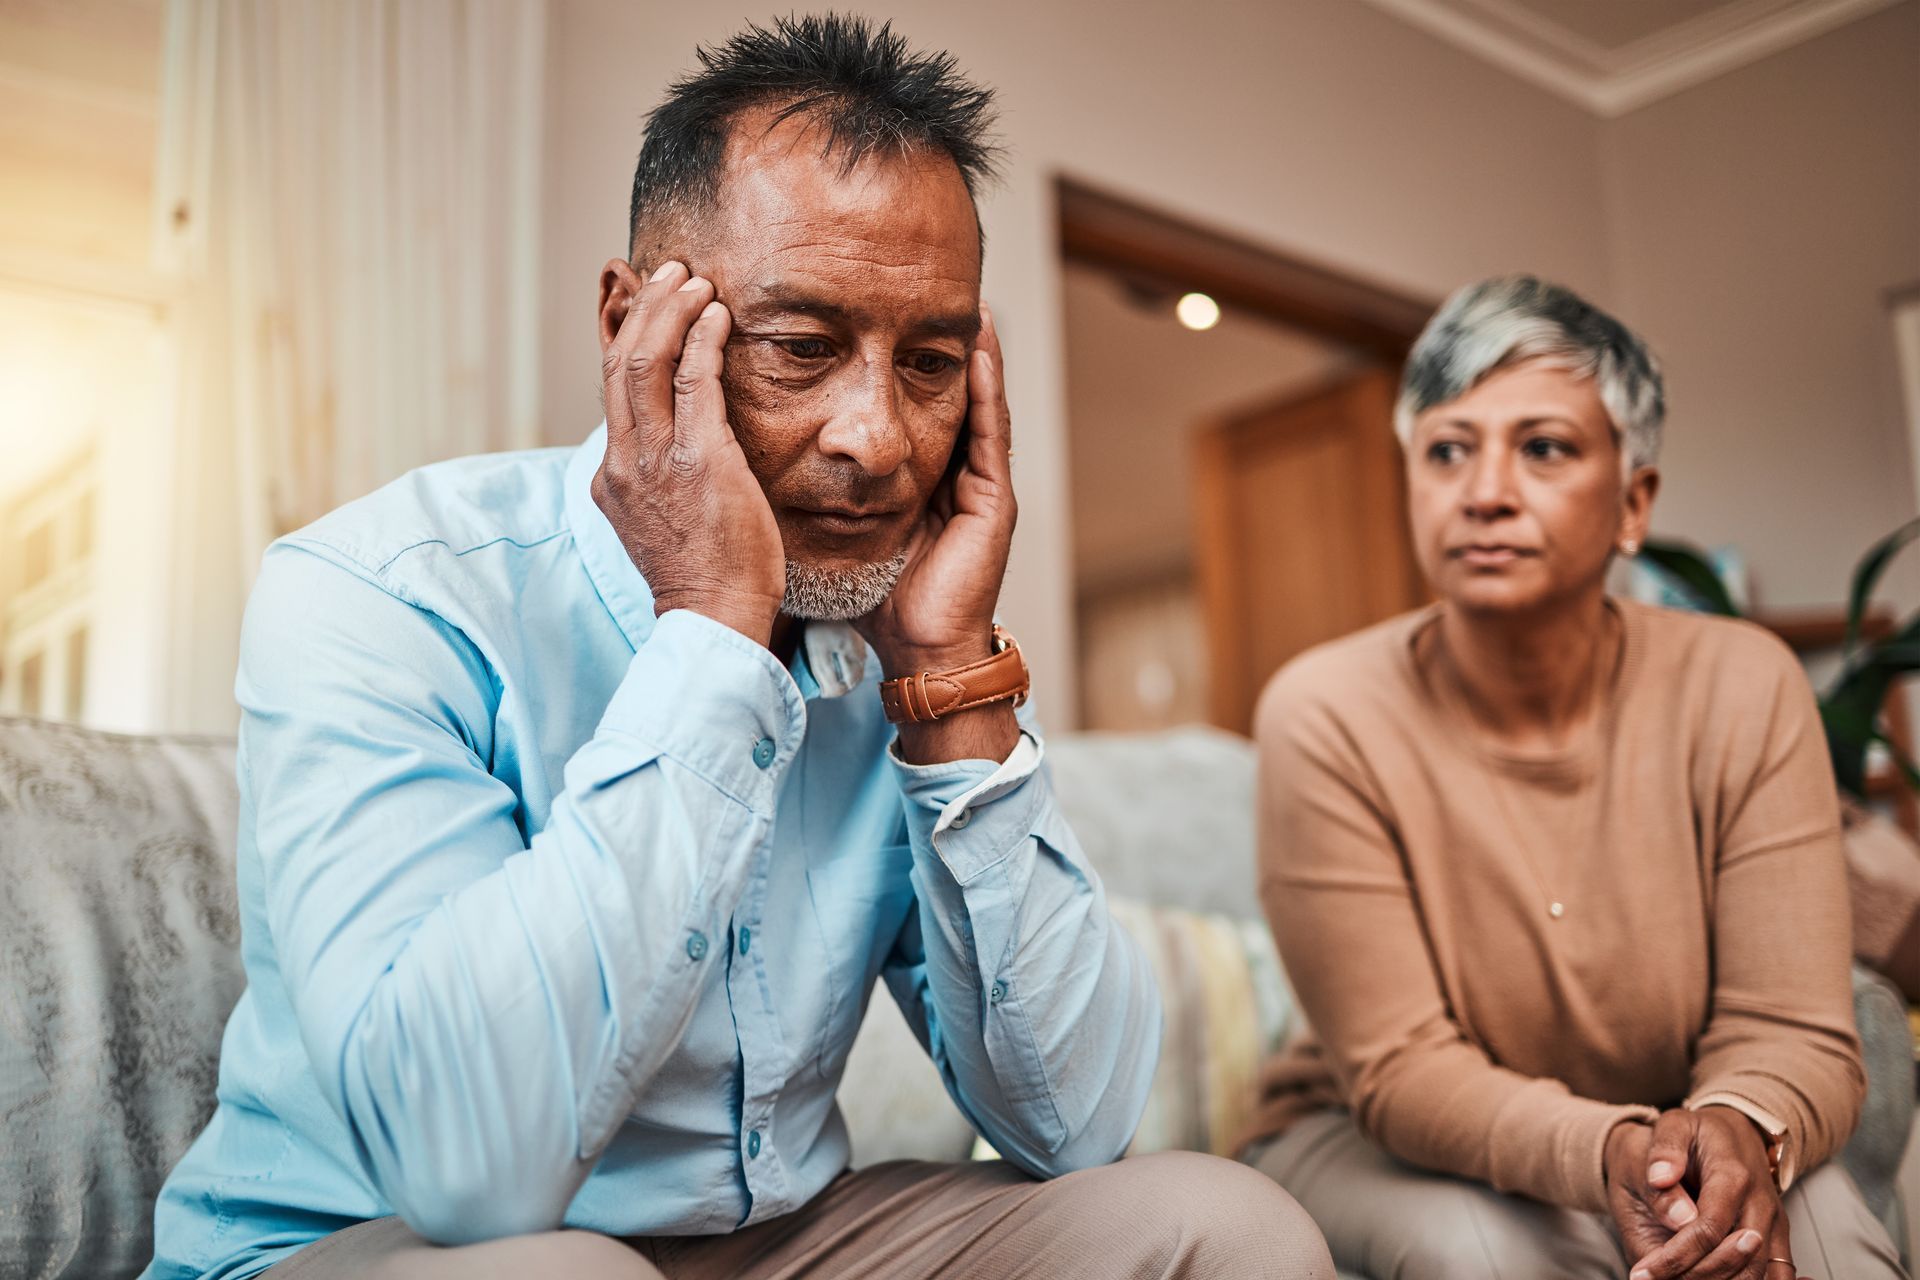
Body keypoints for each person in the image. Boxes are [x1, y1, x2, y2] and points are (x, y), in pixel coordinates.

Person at [142, 15, 1336, 1280]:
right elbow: (464, 1169)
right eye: (802, 349)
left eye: (929, 362)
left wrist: (952, 684)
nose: (875, 437)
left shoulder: (898, 647)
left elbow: (1083, 1123)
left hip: (772, 1238)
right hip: (386, 1243)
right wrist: (711, 633)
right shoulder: (382, 591)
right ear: (630, 329)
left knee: (1229, 1225)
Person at [1239, 275, 1905, 1280]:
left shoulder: (1744, 683)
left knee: (1831, 1231)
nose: (1485, 490)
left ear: (1635, 501)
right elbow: (1402, 1068)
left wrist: (1731, 1127)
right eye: (1448, 450)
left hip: (1677, 1122)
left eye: (1543, 447)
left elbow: (1792, 1023)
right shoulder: (1324, 710)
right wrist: (1609, 1151)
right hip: (1373, 1135)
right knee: (1493, 1253)